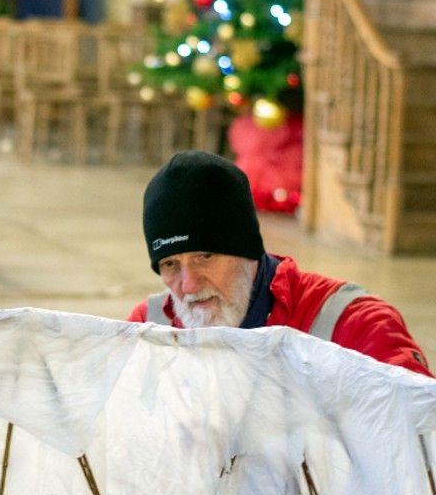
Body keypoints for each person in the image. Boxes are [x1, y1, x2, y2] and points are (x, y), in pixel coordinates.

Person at [127, 150, 431, 377]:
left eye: (205, 256)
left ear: (246, 249)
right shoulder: (150, 326)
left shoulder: (352, 324)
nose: (189, 285)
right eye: (170, 264)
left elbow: (420, 435)